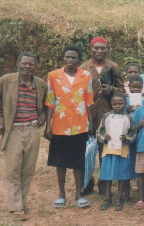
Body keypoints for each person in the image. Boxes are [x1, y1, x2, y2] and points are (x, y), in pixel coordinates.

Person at [0, 52, 47, 221]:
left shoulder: (41, 84)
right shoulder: (5, 81)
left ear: (35, 66)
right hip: (13, 130)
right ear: (18, 63)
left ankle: (21, 202)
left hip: (32, 130)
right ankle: (16, 207)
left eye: (31, 64)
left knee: (28, 169)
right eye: (25, 63)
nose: (27, 67)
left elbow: (45, 105)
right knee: (13, 169)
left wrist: (42, 117)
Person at [44, 45, 94, 209]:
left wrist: (91, 123)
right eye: (67, 57)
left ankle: (79, 194)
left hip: (80, 125)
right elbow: (50, 101)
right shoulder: (53, 76)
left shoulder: (86, 76)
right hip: (60, 125)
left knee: (78, 161)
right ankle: (61, 194)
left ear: (79, 60)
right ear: (63, 58)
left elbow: (88, 101)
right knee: (60, 161)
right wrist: (48, 125)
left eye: (73, 57)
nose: (70, 60)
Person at [79, 36, 124, 195]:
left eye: (102, 48)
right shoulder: (84, 68)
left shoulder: (113, 67)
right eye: (96, 48)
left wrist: (112, 90)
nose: (99, 51)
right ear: (91, 49)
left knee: (105, 148)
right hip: (88, 114)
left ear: (107, 49)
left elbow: (123, 90)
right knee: (87, 149)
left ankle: (104, 182)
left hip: (108, 114)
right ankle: (87, 181)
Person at [97, 93, 136, 211]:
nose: (117, 106)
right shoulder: (106, 116)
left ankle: (119, 198)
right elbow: (99, 131)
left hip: (122, 151)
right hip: (108, 150)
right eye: (114, 104)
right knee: (107, 175)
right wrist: (104, 137)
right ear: (111, 104)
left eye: (120, 104)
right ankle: (107, 198)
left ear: (125, 104)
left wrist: (126, 138)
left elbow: (133, 132)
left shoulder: (128, 117)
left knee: (122, 174)